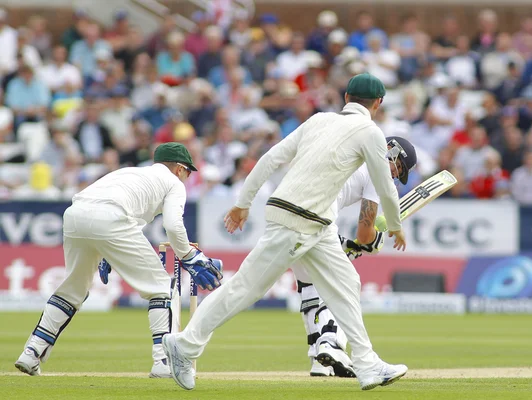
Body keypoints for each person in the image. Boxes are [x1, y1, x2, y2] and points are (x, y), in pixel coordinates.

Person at [162, 73, 409, 391]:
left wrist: (243, 203)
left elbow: (271, 158)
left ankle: (367, 364)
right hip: (299, 220)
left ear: (346, 97)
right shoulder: (371, 132)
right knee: (244, 289)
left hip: (313, 221)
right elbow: (386, 187)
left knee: (348, 283)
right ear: (378, 103)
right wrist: (397, 227)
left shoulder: (319, 119)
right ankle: (184, 345)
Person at [14, 142, 224, 379]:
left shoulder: (131, 173)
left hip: (75, 214)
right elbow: (173, 226)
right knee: (161, 288)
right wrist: (190, 256)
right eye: (187, 172)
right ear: (179, 169)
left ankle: (31, 352)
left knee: (72, 291)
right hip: (111, 218)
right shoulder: (174, 183)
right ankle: (163, 361)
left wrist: (106, 250)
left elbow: (123, 214)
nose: (186, 178)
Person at [294, 136, 417, 377]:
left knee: (309, 286)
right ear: (391, 152)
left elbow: (358, 234)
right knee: (346, 285)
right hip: (316, 220)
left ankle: (319, 360)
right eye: (398, 168)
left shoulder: (351, 150)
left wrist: (350, 244)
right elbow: (365, 232)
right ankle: (332, 344)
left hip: (290, 208)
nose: (393, 175)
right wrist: (373, 241)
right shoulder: (378, 167)